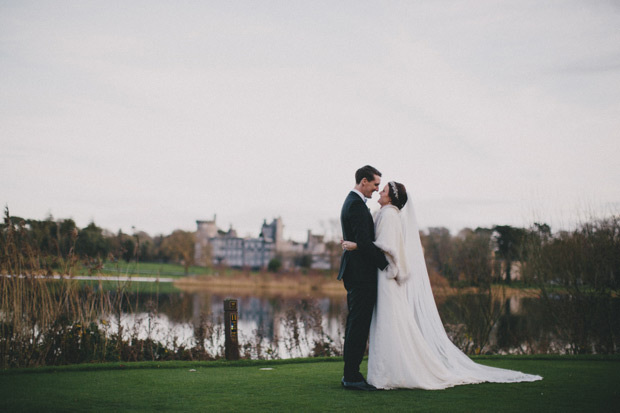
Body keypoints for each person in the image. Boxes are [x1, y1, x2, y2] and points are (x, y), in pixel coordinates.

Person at [342, 181, 542, 390]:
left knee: (388, 323)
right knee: (387, 323)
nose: (379, 192)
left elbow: (387, 248)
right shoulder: (385, 213)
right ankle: (387, 372)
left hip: (385, 278)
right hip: (381, 276)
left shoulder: (390, 215)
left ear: (391, 197)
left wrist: (357, 245)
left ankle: (389, 373)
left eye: (382, 190)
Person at [338, 165, 390, 391]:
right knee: (358, 325)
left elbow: (361, 242)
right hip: (360, 274)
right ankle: (351, 376)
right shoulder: (357, 206)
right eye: (376, 184)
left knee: (355, 323)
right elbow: (366, 244)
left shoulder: (352, 202)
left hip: (356, 272)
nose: (377, 189)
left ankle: (350, 373)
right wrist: (388, 266)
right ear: (364, 182)